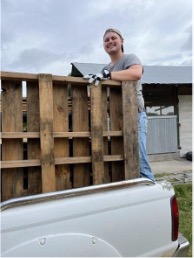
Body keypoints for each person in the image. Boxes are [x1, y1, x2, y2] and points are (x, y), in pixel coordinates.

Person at [84, 28, 155, 182]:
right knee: (122, 158)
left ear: (122, 41)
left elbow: (136, 73)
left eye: (113, 38)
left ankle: (152, 193)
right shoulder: (105, 68)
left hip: (135, 116)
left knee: (138, 157)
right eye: (106, 40)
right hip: (115, 119)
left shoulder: (129, 58)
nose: (110, 41)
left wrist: (108, 76)